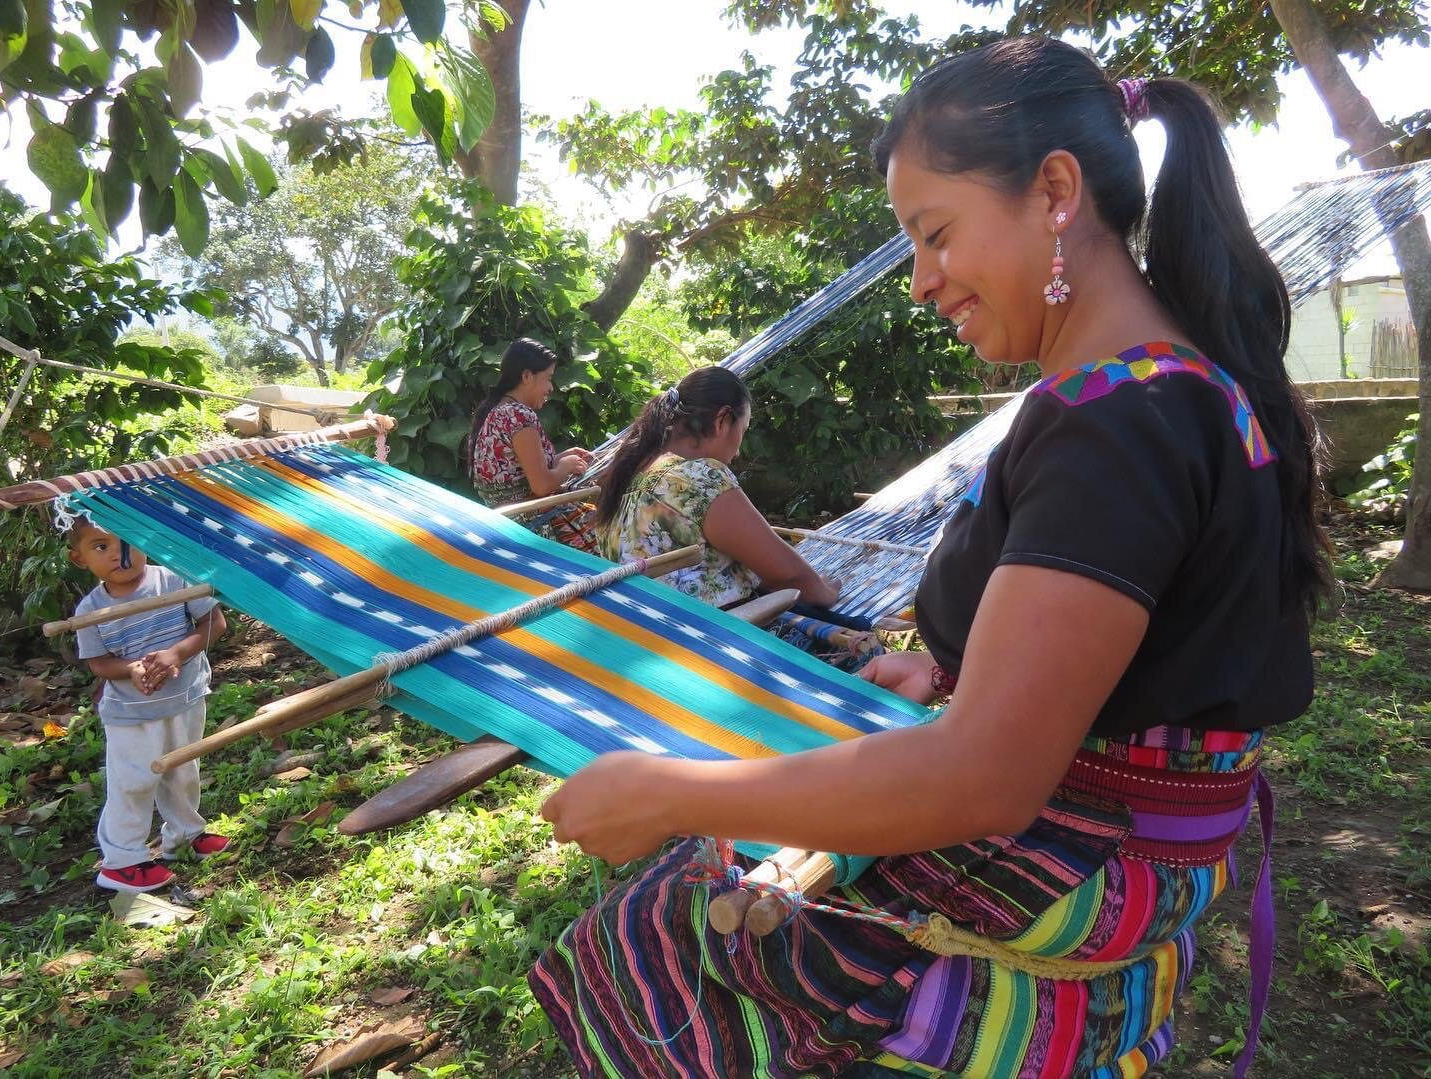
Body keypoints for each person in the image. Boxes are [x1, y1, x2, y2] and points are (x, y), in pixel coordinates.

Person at [529, 37, 1329, 1078]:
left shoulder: (1117, 422)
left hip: (1089, 853)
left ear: (1054, 191)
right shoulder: (1180, 384)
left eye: (935, 234)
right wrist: (957, 674)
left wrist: (675, 790)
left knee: (653, 933)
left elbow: (985, 780)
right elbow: (1149, 654)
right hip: (1141, 837)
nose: (920, 282)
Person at [68, 519, 231, 894]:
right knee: (134, 783)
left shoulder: (173, 580)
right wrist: (131, 669)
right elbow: (98, 664)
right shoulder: (89, 611)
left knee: (182, 770)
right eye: (100, 546)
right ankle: (122, 862)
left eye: (126, 541)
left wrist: (177, 652)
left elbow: (214, 623)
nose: (117, 554)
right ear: (80, 559)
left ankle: (185, 836)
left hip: (185, 697)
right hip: (132, 714)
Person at [596, 366, 840, 611]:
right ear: (722, 420)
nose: (738, 450)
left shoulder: (622, 477)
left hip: (641, 634)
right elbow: (791, 578)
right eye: (742, 430)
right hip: (702, 642)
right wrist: (828, 592)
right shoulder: (696, 478)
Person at [469, 338, 596, 549]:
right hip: (535, 526)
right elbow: (541, 486)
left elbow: (518, 473)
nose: (550, 388)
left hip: (510, 523)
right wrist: (564, 467)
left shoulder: (497, 412)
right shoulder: (518, 416)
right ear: (527, 376)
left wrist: (559, 459)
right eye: (548, 378)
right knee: (613, 530)